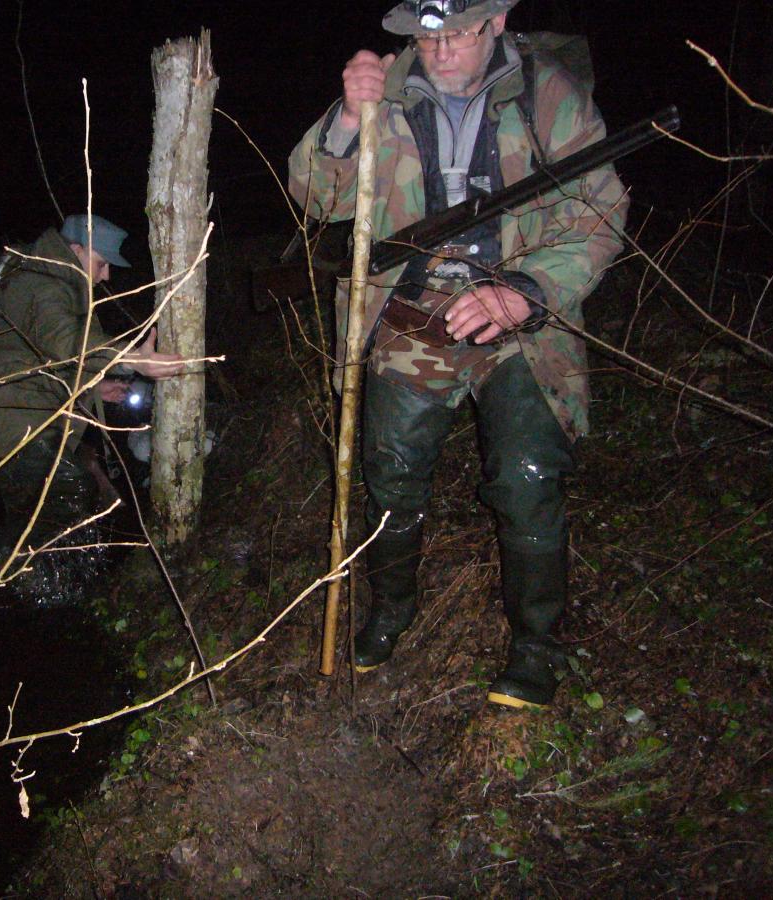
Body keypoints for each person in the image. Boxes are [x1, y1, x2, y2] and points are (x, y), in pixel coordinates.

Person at [288, 0, 627, 707]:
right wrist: (346, 120)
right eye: (426, 36)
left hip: (520, 324)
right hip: (410, 317)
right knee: (390, 479)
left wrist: (529, 292)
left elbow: (601, 216)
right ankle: (391, 610)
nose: (440, 51)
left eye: (458, 34)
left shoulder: (549, 93)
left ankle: (535, 648)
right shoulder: (384, 89)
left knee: (527, 480)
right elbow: (318, 200)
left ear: (497, 22)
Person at [0, 213, 182, 568]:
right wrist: (131, 358)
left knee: (40, 512)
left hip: (17, 414)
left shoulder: (53, 278)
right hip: (11, 419)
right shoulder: (44, 282)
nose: (106, 275)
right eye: (102, 263)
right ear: (76, 250)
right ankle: (1, 576)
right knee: (66, 493)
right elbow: (66, 342)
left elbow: (39, 356)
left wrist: (96, 387)